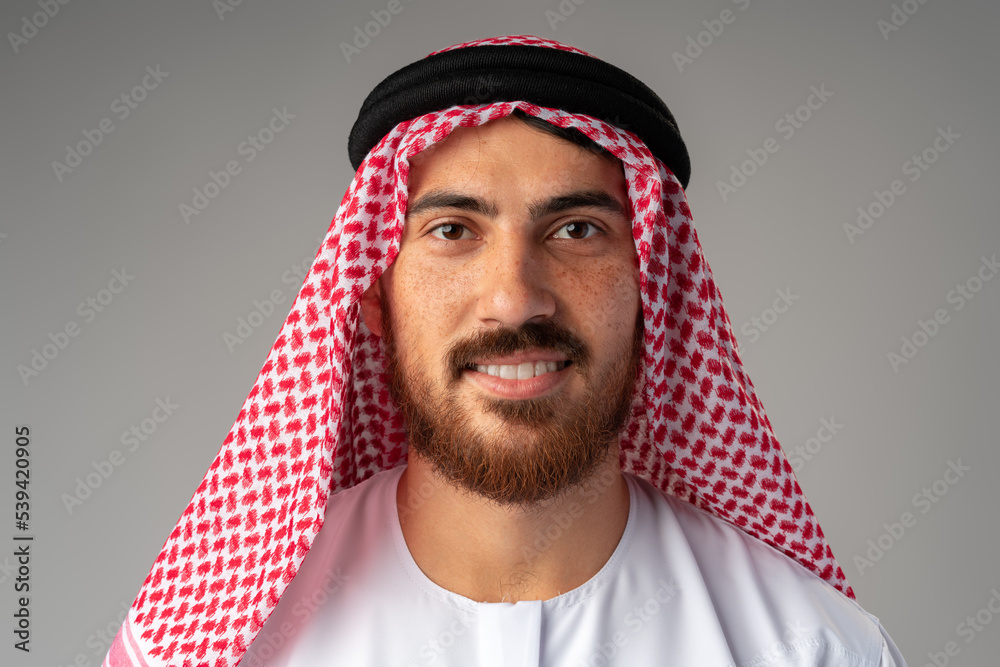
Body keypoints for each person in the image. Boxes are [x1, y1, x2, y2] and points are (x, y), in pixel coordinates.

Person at [104, 35, 906, 666]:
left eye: (578, 230)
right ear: (374, 298)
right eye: (453, 231)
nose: (516, 296)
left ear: (650, 293)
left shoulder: (813, 648)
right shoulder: (216, 645)